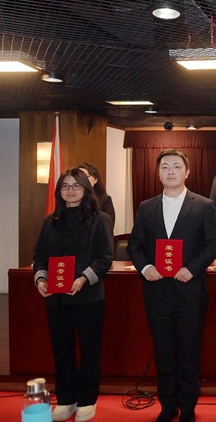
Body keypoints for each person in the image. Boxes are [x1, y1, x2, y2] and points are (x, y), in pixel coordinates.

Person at [127, 149, 216, 422]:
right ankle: (167, 406)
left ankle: (188, 408)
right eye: (165, 167)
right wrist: (145, 267)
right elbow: (135, 245)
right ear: (158, 173)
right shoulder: (146, 207)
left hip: (190, 292)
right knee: (164, 352)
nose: (171, 171)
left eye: (176, 166)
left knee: (189, 352)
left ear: (187, 172)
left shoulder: (203, 205)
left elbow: (214, 243)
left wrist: (192, 268)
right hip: (157, 292)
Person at [33, 168, 114, 422]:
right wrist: (41, 279)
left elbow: (106, 258)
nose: (70, 190)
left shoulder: (100, 219)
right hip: (57, 299)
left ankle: (87, 400)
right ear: (59, 191)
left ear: (86, 189)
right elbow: (39, 257)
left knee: (90, 350)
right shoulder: (51, 221)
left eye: (76, 186)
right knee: (61, 350)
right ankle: (66, 399)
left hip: (88, 296)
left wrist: (83, 278)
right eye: (65, 186)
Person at [78, 162, 116, 228]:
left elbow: (108, 225)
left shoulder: (104, 199)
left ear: (96, 179)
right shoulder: (71, 198)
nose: (83, 179)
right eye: (80, 176)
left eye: (87, 176)